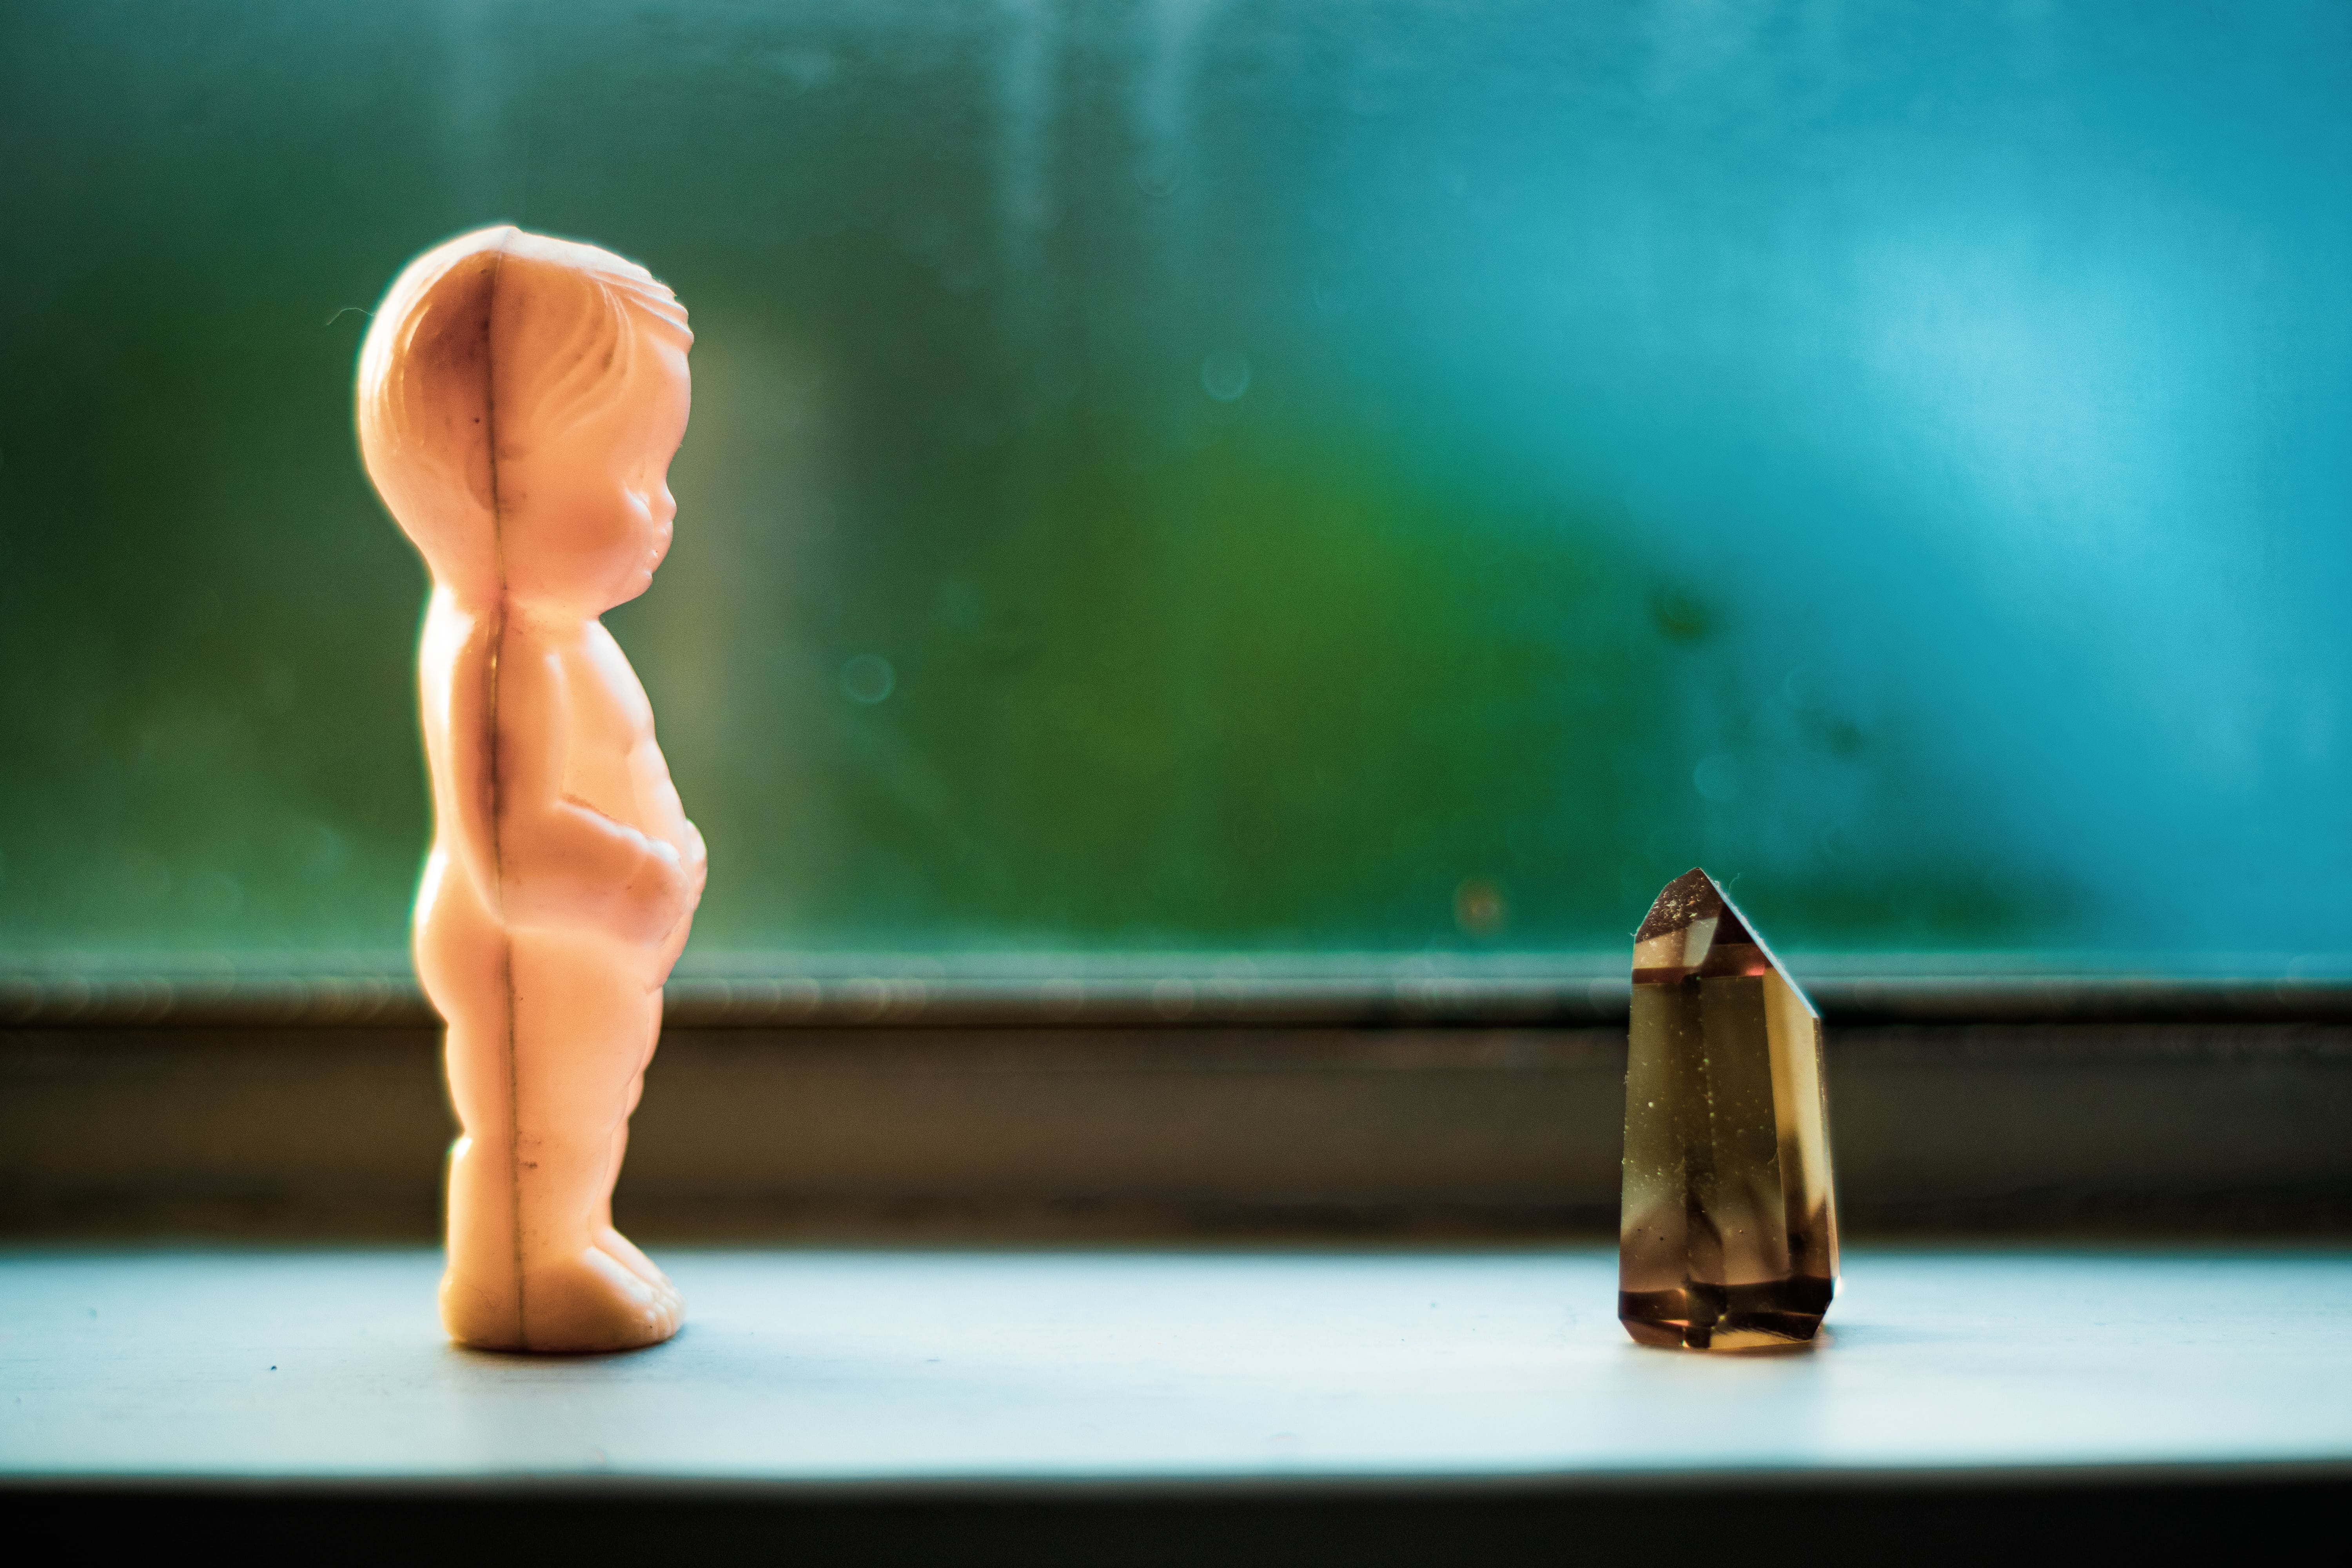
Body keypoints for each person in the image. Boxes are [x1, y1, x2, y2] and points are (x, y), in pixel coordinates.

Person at [358, 227, 705, 1351]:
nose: (663, 509)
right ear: (492, 474)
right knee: (529, 1116)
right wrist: (634, 877)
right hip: (530, 947)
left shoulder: (547, 631)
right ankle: (516, 1273)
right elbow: (509, 848)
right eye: (632, 474)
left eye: (667, 473)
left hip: (580, 954)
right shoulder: (496, 651)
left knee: (588, 1102)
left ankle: (574, 1235)